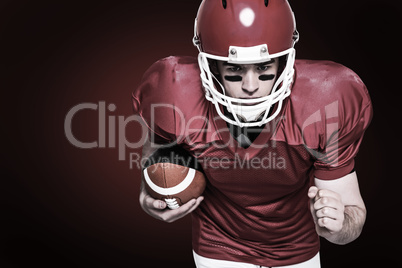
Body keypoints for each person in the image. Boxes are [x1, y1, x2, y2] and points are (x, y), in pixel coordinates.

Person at [132, 0, 373, 267]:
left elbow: (353, 215)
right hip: (218, 243)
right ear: (212, 68)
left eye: (263, 68)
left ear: (284, 62)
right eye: (234, 70)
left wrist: (338, 227)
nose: (250, 86)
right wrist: (150, 190)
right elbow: (159, 149)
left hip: (295, 244)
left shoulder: (326, 99)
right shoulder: (174, 94)